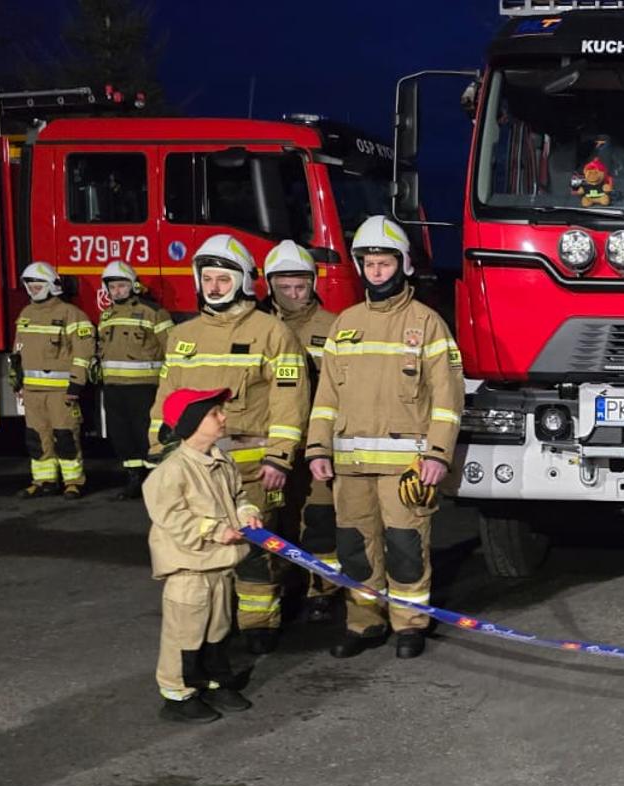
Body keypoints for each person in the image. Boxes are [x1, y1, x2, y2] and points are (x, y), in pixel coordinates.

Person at [306, 215, 463, 660]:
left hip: (407, 467)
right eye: (370, 263)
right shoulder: (345, 325)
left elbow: (448, 399)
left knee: (405, 547)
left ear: (404, 264)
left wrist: (437, 454)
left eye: (384, 263)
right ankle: (363, 623)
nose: (377, 271)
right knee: (355, 550)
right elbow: (326, 397)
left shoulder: (427, 323)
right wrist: (318, 448)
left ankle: (409, 624)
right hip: (350, 466)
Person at [150, 234, 309, 655]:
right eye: (208, 278)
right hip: (191, 469)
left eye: (223, 278)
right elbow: (164, 402)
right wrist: (157, 452)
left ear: (242, 281)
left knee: (254, 549)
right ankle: (212, 628)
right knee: (198, 547)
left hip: (252, 466)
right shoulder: (182, 336)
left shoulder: (271, 333)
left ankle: (258, 622)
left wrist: (279, 457)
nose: (214, 286)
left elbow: (290, 402)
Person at [144, 387, 260, 724]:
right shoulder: (172, 469)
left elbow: (238, 496)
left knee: (218, 628)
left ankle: (214, 681)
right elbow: (172, 516)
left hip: (220, 565)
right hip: (190, 569)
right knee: (185, 634)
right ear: (191, 422)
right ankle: (178, 694)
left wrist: (248, 513)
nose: (223, 417)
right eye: (214, 413)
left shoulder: (222, 461)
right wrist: (214, 530)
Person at [261, 240, 342, 624]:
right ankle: (284, 585)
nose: (294, 295)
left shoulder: (335, 327)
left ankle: (322, 590)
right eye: (285, 287)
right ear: (269, 285)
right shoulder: (260, 328)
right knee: (278, 519)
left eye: (301, 286)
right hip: (272, 441)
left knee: (321, 520)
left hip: (317, 442)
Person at [10, 261, 95, 499]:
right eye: (30, 286)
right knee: (37, 438)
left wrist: (76, 385)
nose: (33, 290)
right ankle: (44, 480)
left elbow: (83, 352)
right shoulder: (26, 314)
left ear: (51, 285)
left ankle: (73, 482)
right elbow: (17, 351)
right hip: (32, 390)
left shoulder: (70, 314)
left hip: (61, 391)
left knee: (66, 436)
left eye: (38, 285)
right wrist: (16, 382)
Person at [96, 260, 172, 499]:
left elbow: (172, 349)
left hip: (145, 388)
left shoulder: (154, 313)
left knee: (146, 436)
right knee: (121, 437)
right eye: (113, 287)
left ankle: (155, 483)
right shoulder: (106, 316)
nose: (117, 291)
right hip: (113, 388)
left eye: (122, 285)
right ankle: (133, 479)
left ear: (133, 286)